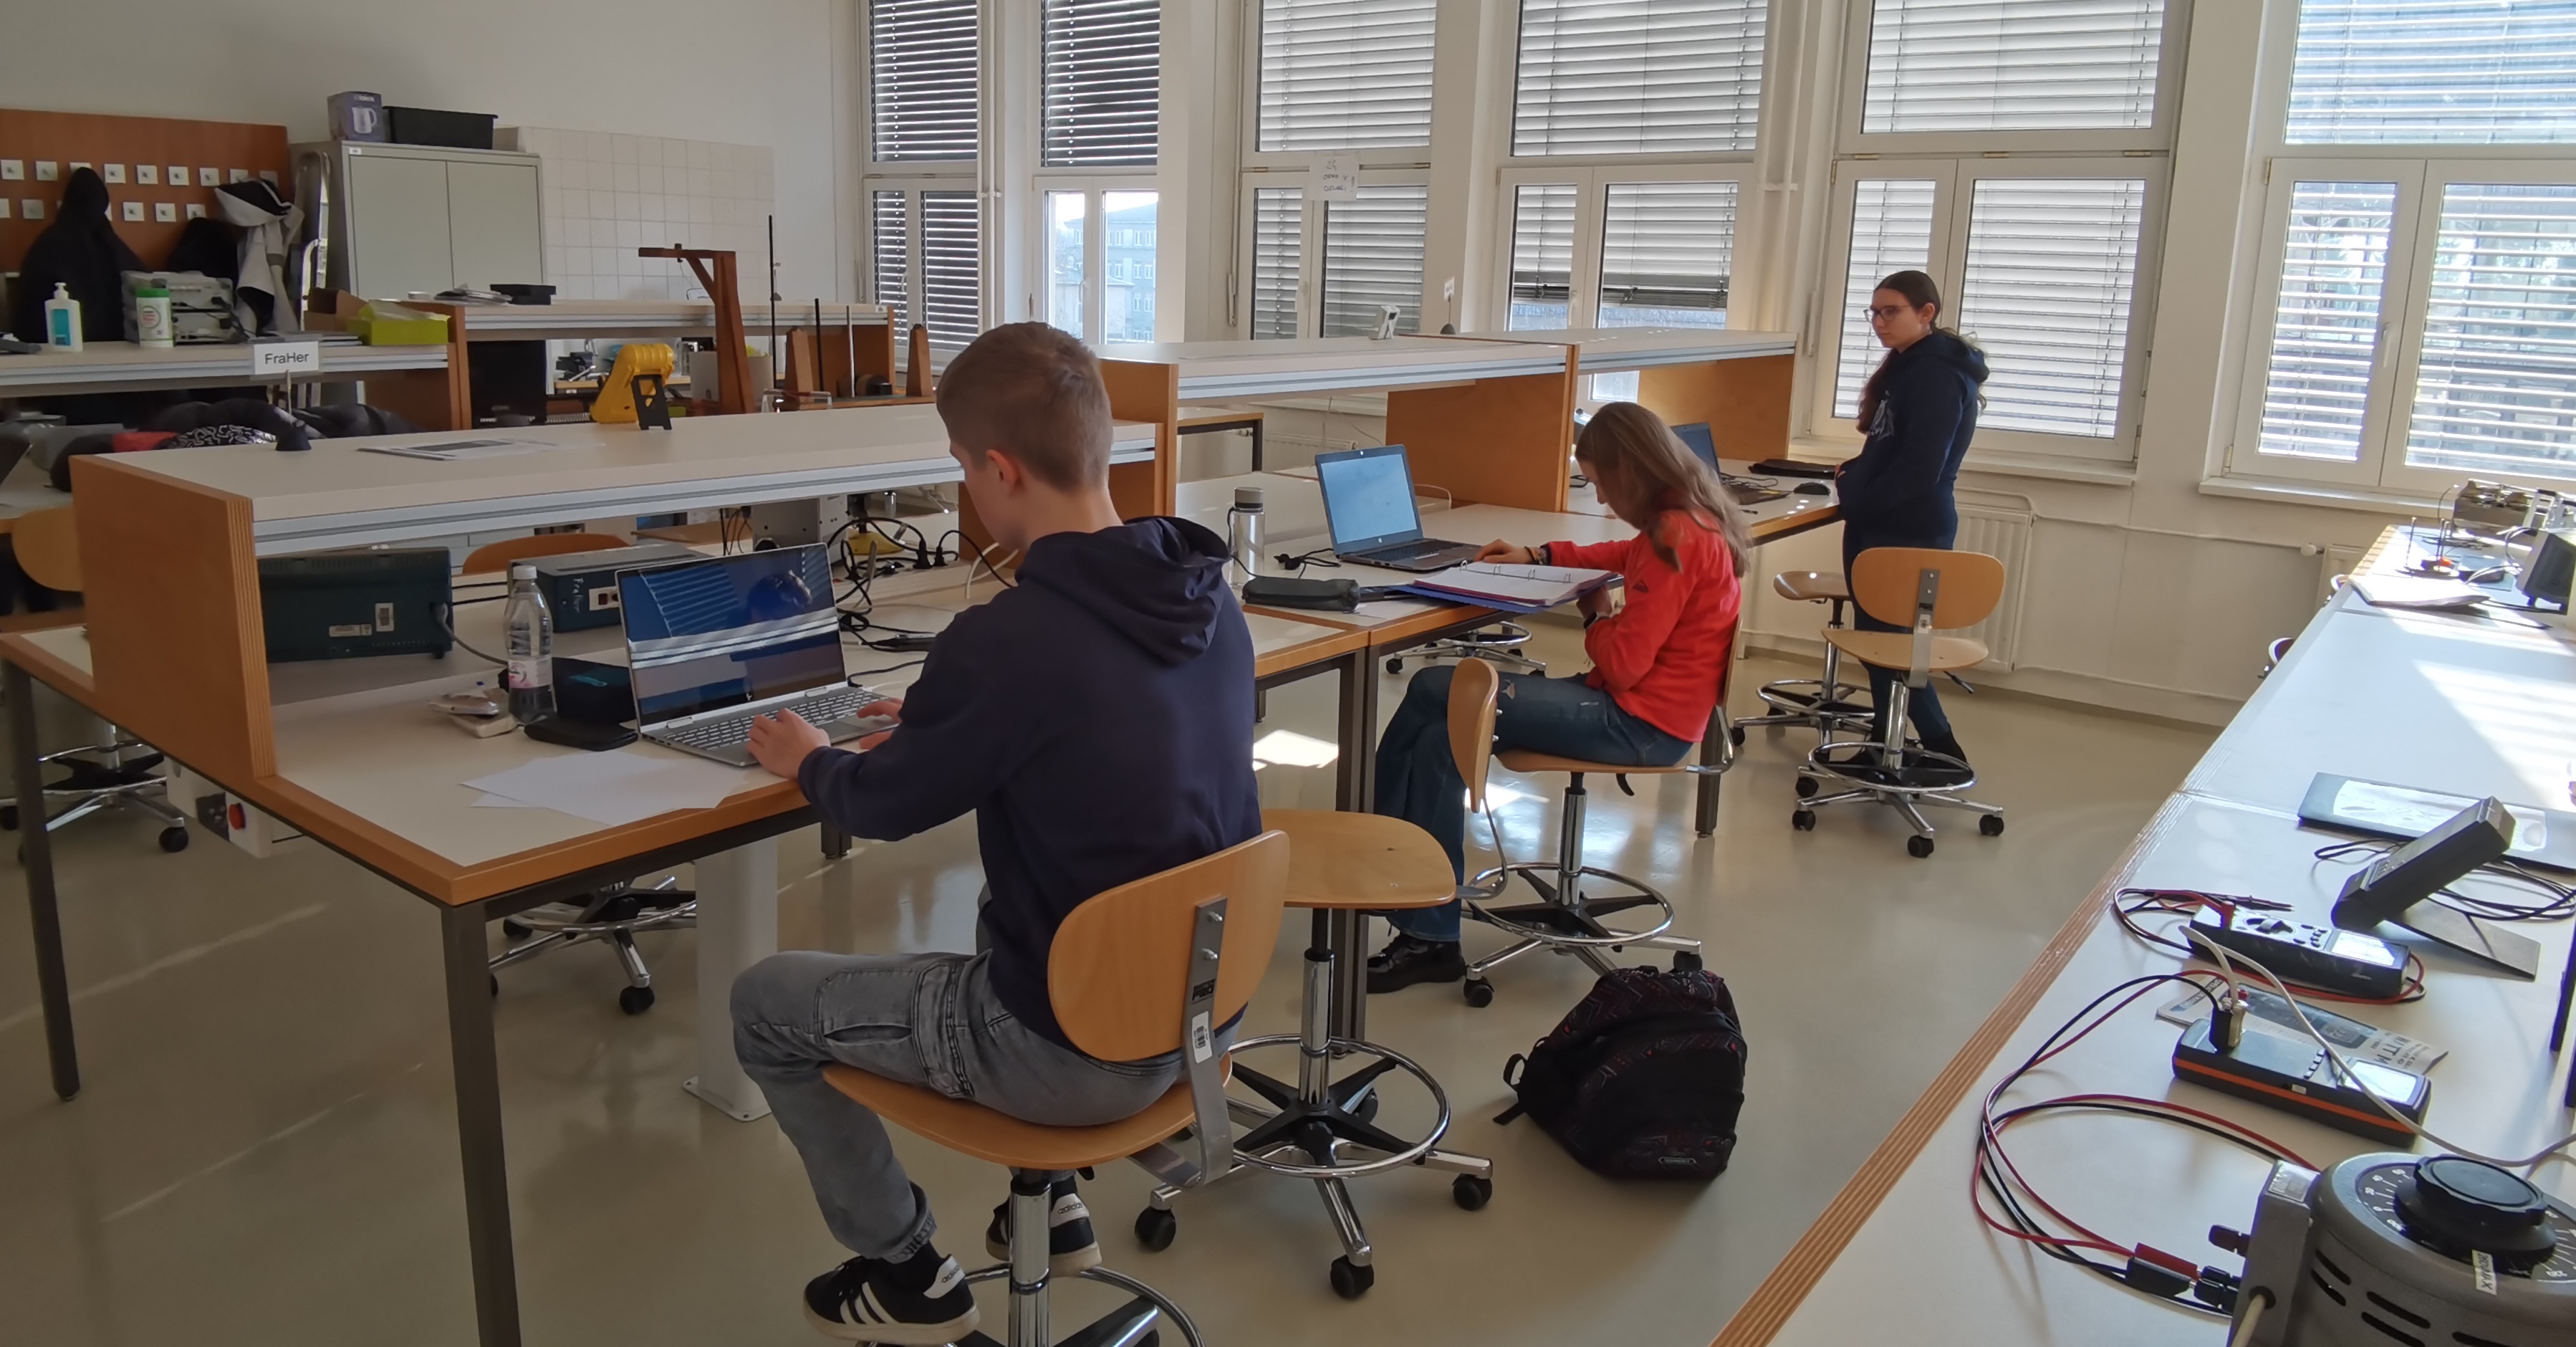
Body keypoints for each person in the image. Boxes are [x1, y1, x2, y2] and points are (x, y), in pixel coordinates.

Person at [733, 322, 1261, 1343]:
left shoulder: (1009, 640)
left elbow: (878, 809)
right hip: (1206, 1016)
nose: (966, 488)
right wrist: (950, 722)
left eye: (962, 468)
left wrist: (809, 760)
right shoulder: (1207, 596)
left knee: (765, 1004)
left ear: (1000, 470)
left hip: (1077, 1055)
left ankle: (903, 1270)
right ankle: (1052, 1201)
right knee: (1015, 887)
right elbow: (1101, 743)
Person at [1368, 402, 1750, 992]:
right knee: (1443, 734)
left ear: (1629, 471)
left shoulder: (1674, 536)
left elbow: (1623, 665)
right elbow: (1620, 555)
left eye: (1600, 483)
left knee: (1435, 687)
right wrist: (1542, 556)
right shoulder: (1689, 519)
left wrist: (1596, 617)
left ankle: (1382, 854)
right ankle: (1424, 923)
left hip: (1638, 723)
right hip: (1654, 714)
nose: (1601, 499)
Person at [1836, 269, 1989, 780]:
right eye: (1874, 312)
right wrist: (1854, 473)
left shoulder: (1936, 375)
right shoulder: (1909, 366)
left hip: (1905, 527)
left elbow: (1920, 469)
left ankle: (1947, 754)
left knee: (1894, 650)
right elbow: (1890, 447)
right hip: (1885, 522)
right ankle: (1885, 746)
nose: (1879, 322)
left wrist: (1860, 498)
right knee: (1884, 646)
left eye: (1891, 311)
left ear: (1927, 313)